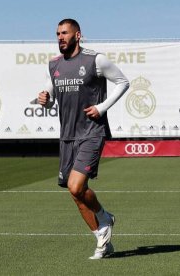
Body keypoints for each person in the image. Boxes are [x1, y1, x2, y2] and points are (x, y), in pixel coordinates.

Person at [38, 18, 130, 259]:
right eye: (57, 33)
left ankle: (104, 218)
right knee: (76, 193)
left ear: (78, 35)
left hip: (91, 132)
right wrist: (46, 101)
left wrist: (102, 107)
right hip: (67, 135)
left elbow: (123, 82)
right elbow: (50, 99)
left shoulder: (95, 60)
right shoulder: (54, 64)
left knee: (75, 186)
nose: (60, 37)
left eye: (65, 33)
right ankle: (102, 239)